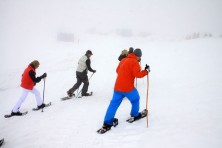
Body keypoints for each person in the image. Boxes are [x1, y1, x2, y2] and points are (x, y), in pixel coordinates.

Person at [99, 49, 150, 133]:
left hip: (117, 87)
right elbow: (138, 74)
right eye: (139, 57)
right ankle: (135, 115)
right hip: (128, 88)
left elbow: (117, 70)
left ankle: (107, 123)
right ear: (138, 56)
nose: (139, 59)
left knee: (113, 104)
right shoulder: (135, 62)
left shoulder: (123, 59)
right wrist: (146, 71)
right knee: (135, 99)